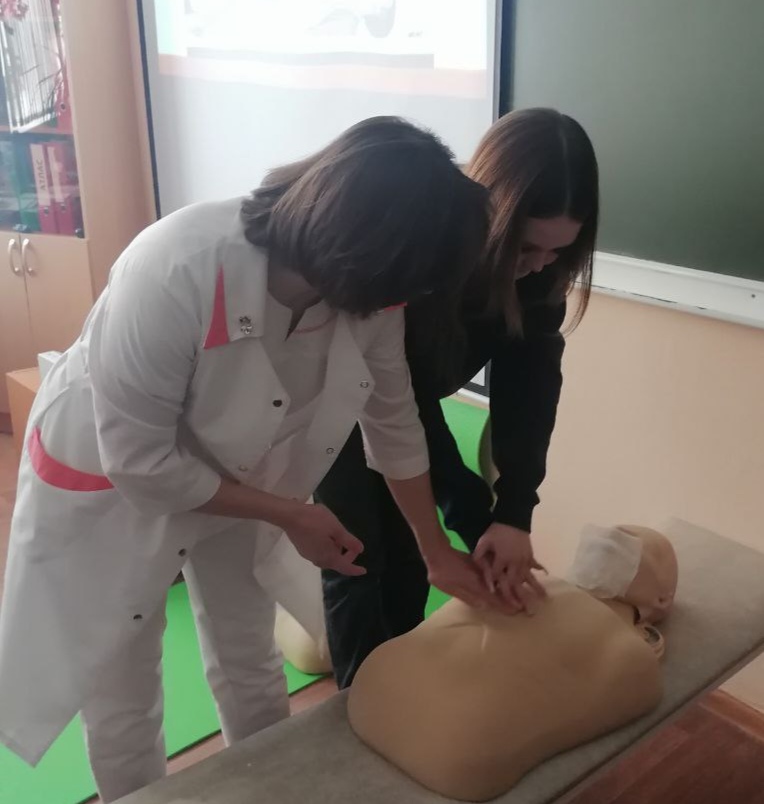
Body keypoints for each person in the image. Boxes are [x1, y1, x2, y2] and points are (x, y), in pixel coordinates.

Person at [0, 117, 496, 803]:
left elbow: (393, 421)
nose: (405, 303)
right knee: (123, 688)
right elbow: (141, 465)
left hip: (240, 476)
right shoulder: (175, 266)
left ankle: (270, 790)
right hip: (111, 486)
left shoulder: (370, 299)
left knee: (249, 651)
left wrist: (434, 549)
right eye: (404, 284)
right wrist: (290, 514)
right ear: (363, 247)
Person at [317, 107, 600, 688]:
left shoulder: (541, 275)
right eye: (528, 248)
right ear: (493, 214)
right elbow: (402, 406)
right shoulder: (424, 257)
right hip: (342, 407)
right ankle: (358, 708)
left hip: (407, 408)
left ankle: (399, 690)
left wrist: (513, 513)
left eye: (558, 254)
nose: (540, 267)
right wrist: (466, 514)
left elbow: (530, 391)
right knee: (360, 560)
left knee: (409, 564)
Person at [347, 525, 678, 802]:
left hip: (373, 682)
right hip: (456, 749)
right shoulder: (627, 653)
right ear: (663, 599)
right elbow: (643, 691)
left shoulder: (529, 584)